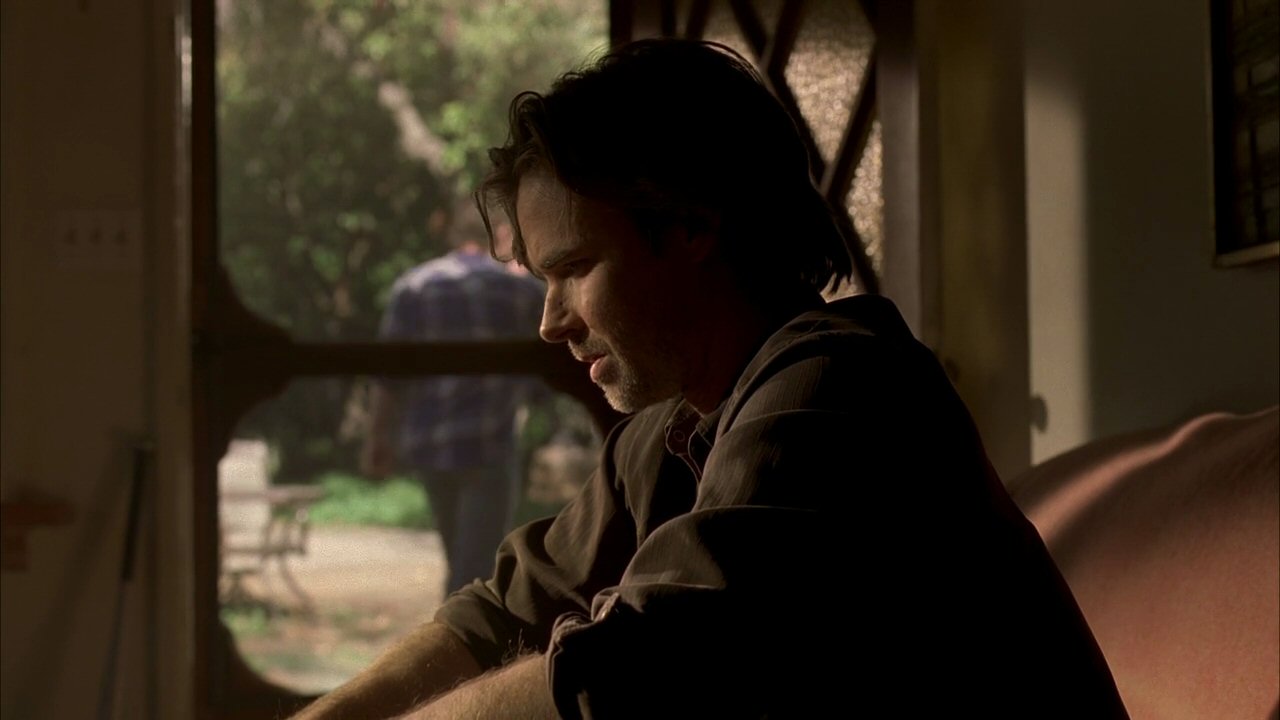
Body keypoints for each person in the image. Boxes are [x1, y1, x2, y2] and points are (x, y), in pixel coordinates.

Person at [299, 39, 1129, 719]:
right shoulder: (666, 434)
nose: (550, 322)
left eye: (575, 269)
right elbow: (500, 613)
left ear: (691, 225)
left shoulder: (839, 387)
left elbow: (637, 670)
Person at [362, 198, 547, 596]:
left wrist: (378, 437)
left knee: (461, 559)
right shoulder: (520, 292)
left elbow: (388, 373)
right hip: (489, 445)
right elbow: (549, 371)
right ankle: (463, 627)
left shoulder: (414, 286)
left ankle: (459, 620)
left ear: (452, 234)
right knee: (475, 567)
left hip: (431, 446)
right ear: (501, 234)